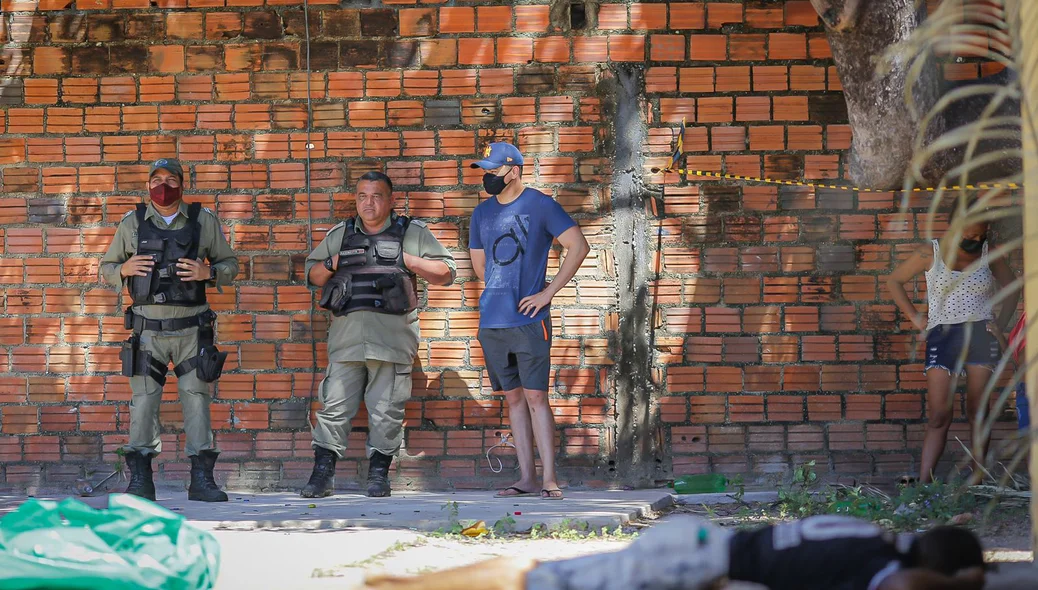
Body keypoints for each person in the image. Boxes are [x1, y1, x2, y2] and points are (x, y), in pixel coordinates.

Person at [301, 171, 456, 498]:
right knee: (334, 407)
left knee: (387, 411)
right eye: (362, 196)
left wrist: (406, 259)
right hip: (347, 340)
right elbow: (313, 275)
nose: (368, 203)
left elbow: (446, 272)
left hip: (392, 340)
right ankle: (322, 474)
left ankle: (379, 474)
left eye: (376, 196)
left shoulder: (412, 233)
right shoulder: (341, 234)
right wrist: (335, 261)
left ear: (391, 200)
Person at [100, 158, 239, 502]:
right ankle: (141, 482)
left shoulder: (203, 221)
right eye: (157, 179)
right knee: (144, 404)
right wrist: (124, 268)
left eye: (171, 180)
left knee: (197, 402)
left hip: (193, 331)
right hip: (147, 333)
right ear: (148, 185)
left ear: (182, 184)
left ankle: (202, 481)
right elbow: (105, 267)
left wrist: (209, 273)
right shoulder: (132, 223)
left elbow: (230, 264)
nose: (164, 186)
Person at [361, 514, 988, 590]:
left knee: (545, 576)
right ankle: (410, 587)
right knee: (537, 578)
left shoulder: (868, 532)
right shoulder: (886, 569)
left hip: (701, 548)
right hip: (694, 557)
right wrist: (969, 583)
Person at [468, 142, 590, 501]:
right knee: (514, 399)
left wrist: (547, 292)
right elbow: (480, 266)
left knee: (537, 396)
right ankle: (527, 478)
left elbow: (578, 245)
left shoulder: (539, 204)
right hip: (492, 322)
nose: (488, 178)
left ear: (514, 171)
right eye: (485, 172)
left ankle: (550, 479)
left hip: (528, 319)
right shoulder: (481, 213)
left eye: (494, 171)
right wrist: (498, 291)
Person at [888, 200, 1018, 484]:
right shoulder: (929, 252)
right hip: (943, 336)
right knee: (939, 415)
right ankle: (924, 484)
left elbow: (1012, 288)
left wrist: (1000, 324)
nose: (975, 241)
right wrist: (915, 318)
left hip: (981, 336)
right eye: (969, 235)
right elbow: (894, 281)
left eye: (980, 236)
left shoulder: (989, 253)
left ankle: (978, 482)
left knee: (978, 411)